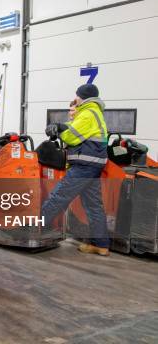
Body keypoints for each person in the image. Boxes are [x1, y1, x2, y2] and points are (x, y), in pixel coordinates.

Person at [42, 83, 109, 256]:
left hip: (84, 166)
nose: (76, 98)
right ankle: (100, 244)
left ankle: (33, 228)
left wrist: (59, 130)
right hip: (93, 166)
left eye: (77, 95)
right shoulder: (93, 113)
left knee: (59, 195)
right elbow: (74, 127)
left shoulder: (88, 113)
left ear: (83, 96)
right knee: (94, 206)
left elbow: (72, 136)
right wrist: (60, 127)